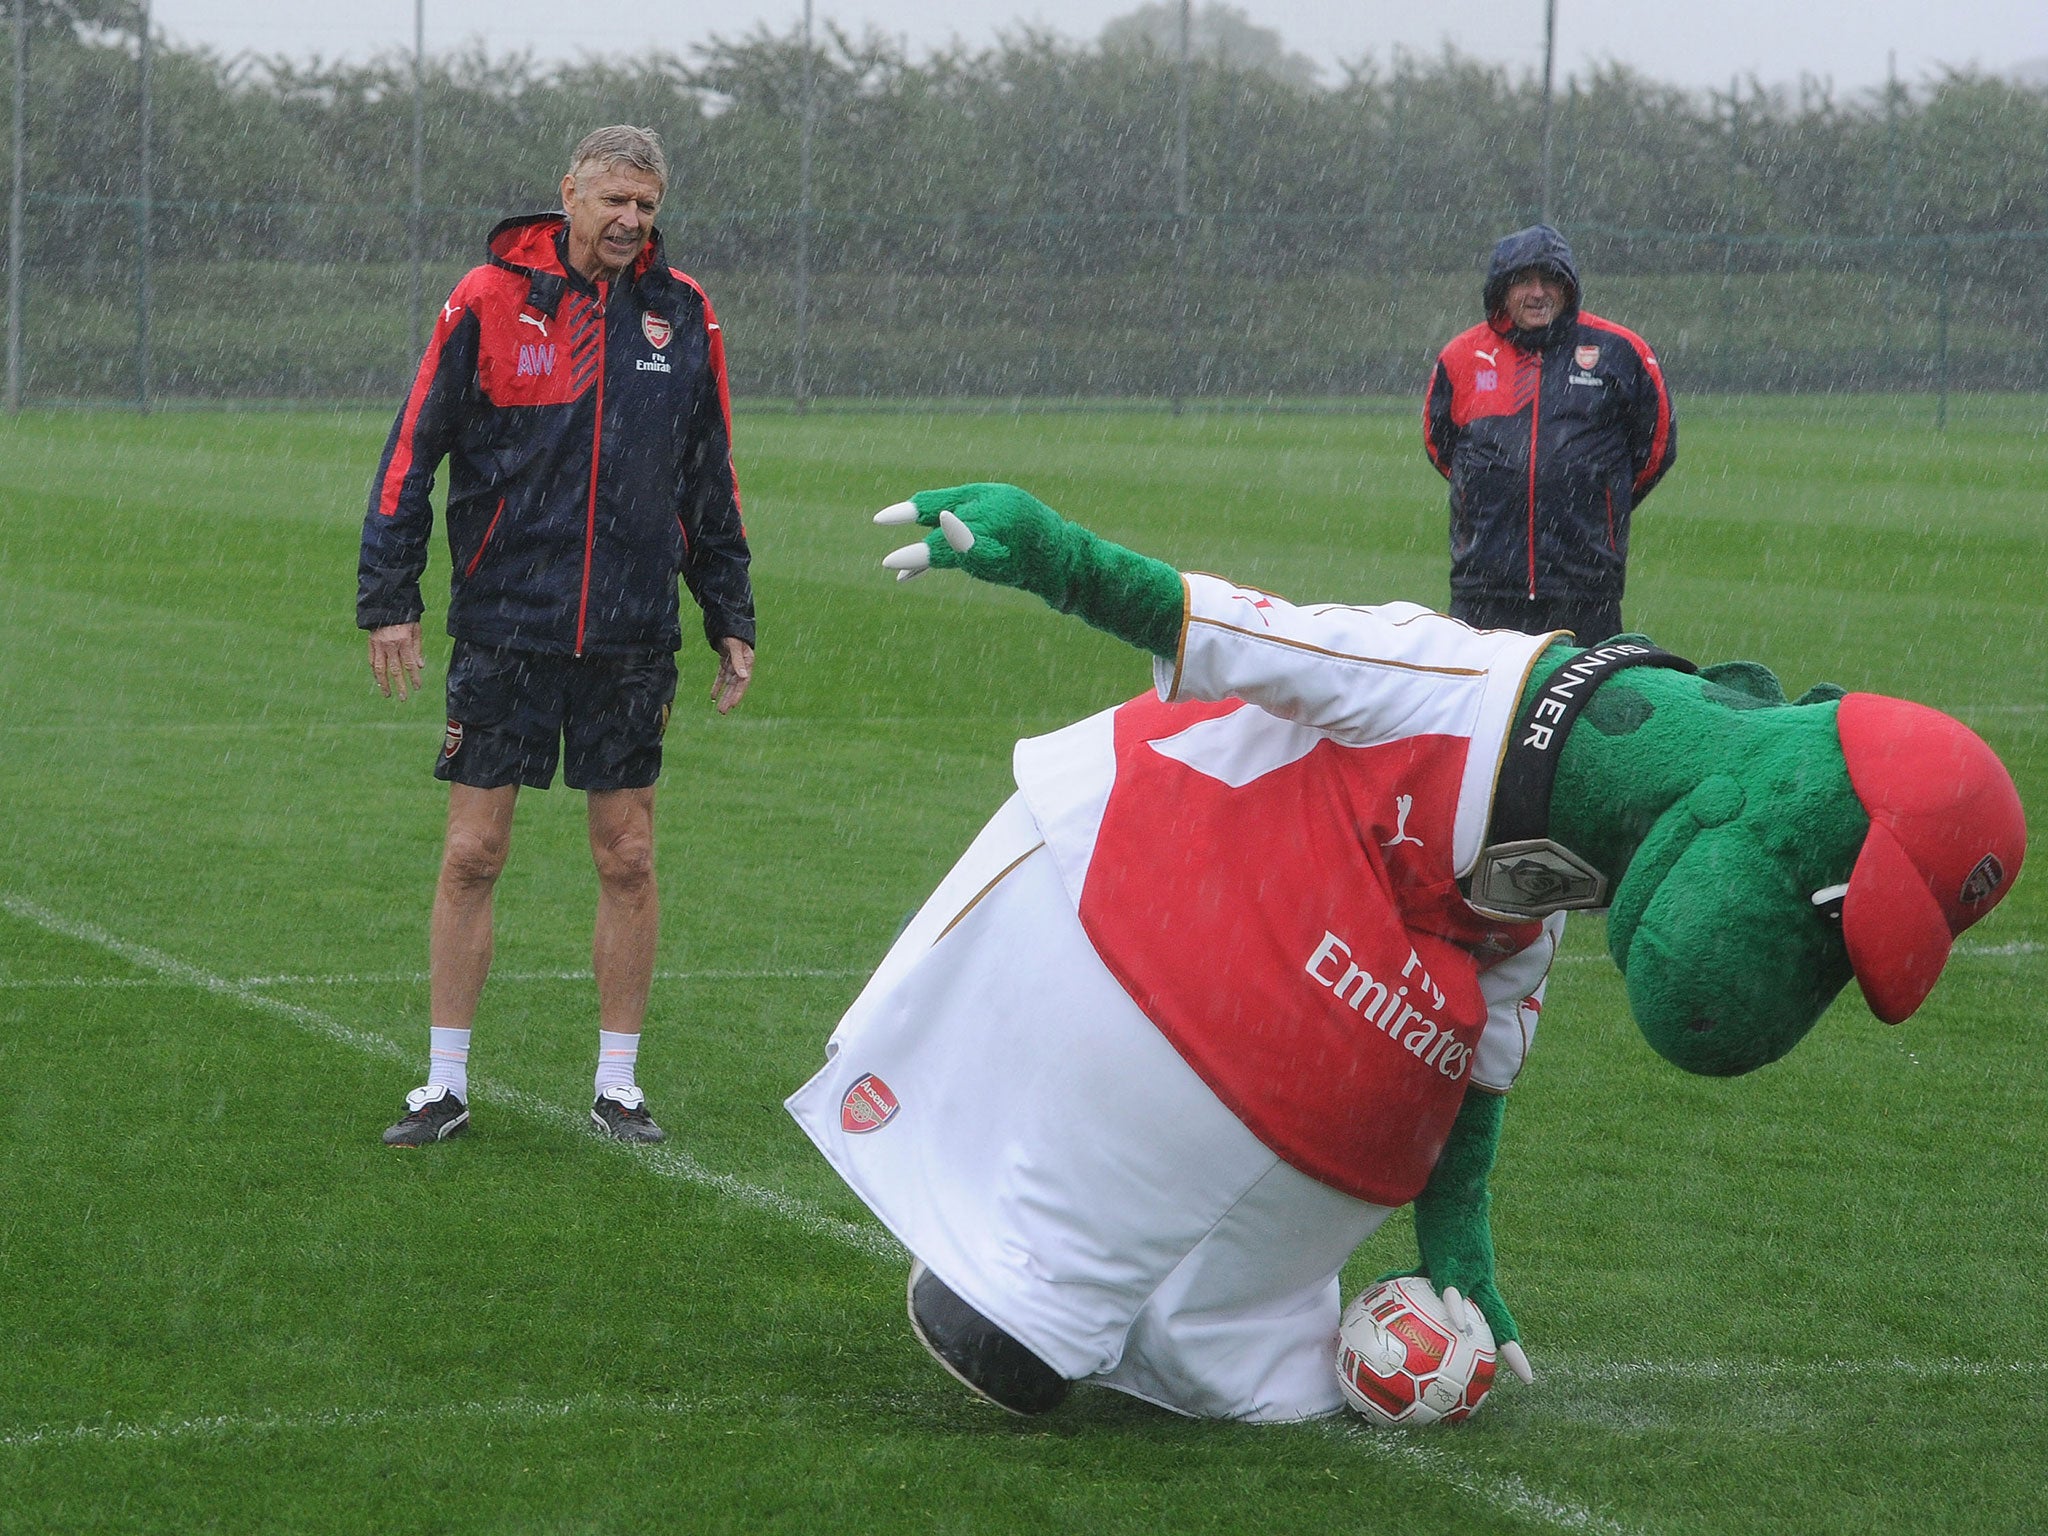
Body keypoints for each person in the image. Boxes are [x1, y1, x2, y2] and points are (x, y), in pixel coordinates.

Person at [357, 125, 755, 1149]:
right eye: (614, 200)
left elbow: (709, 477)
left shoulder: (682, 313)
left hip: (630, 634)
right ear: (568, 194)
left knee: (627, 854)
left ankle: (617, 1087)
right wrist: (388, 593)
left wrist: (729, 612)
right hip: (505, 625)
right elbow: (415, 446)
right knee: (473, 851)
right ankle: (443, 1082)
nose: (630, 222)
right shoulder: (488, 300)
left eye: (647, 207)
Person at [1423, 224, 1676, 645]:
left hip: (1585, 586)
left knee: (1584, 707)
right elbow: (1440, 445)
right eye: (1523, 280)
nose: (1537, 292)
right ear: (1501, 290)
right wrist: (1492, 493)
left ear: (1568, 287)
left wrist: (1600, 497)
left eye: (1549, 279)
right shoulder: (1462, 356)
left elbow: (1656, 447)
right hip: (1484, 584)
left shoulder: (1620, 351)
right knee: (1484, 707)